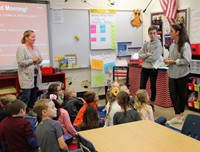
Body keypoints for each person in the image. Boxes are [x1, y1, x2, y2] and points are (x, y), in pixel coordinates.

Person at [164, 23, 191, 124]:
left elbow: (187, 60)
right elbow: (172, 58)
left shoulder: (185, 45)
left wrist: (174, 61)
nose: (169, 33)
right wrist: (168, 60)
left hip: (182, 74)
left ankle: (180, 115)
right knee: (172, 94)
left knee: (181, 95)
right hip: (172, 73)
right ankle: (178, 115)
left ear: (177, 32)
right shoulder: (172, 45)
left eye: (171, 31)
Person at [16, 30, 42, 111]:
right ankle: (18, 110)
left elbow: (40, 58)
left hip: (36, 75)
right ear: (26, 38)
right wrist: (32, 60)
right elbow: (20, 62)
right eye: (32, 37)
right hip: (26, 76)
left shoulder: (36, 47)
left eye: (35, 36)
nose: (34, 38)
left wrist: (39, 60)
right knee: (26, 95)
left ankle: (30, 110)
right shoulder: (21, 48)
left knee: (33, 95)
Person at [138, 25, 162, 110]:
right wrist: (148, 54)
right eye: (151, 33)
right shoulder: (146, 44)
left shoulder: (158, 45)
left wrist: (145, 57)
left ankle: (152, 103)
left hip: (153, 68)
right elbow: (139, 55)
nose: (152, 35)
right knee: (142, 86)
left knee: (152, 86)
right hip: (145, 68)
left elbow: (154, 58)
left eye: (154, 33)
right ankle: (142, 103)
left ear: (156, 34)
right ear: (148, 34)